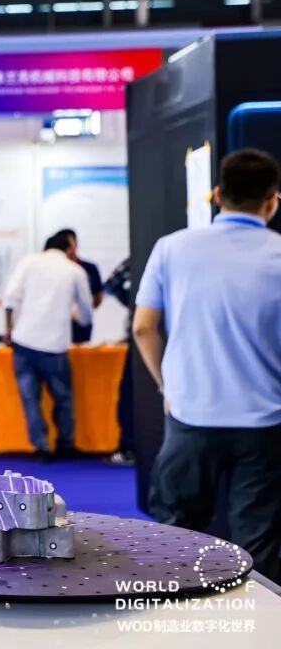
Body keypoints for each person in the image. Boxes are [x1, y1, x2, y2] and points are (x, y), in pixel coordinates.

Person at [133, 148, 281, 583]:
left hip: (190, 415)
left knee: (178, 536)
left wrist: (167, 387)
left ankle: (176, 617)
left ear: (217, 195)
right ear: (271, 201)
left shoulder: (172, 248)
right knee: (258, 542)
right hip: (265, 422)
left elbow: (143, 327)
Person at [3, 232, 94, 460]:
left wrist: (8, 330)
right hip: (55, 345)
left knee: (30, 399)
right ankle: (65, 444)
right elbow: (86, 313)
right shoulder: (74, 271)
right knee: (63, 399)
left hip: (23, 342)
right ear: (70, 247)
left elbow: (10, 298)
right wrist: (77, 316)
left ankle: (41, 447)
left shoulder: (28, 262)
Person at [102, 257, 135, 466]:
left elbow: (111, 284)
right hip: (167, 335)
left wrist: (134, 304)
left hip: (141, 339)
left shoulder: (138, 260)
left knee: (129, 396)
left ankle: (129, 447)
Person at [52, 228, 104, 343]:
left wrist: (84, 309)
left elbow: (98, 295)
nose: (70, 249)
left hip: (81, 326)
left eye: (71, 244)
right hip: (58, 324)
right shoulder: (53, 270)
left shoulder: (89, 268)